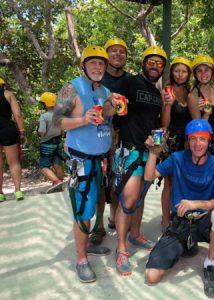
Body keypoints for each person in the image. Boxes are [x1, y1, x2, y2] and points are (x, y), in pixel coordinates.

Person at [53, 45, 121, 283]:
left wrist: (115, 106)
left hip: (99, 158)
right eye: (92, 63)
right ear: (83, 65)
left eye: (101, 63)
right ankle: (81, 259)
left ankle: (88, 246)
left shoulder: (105, 90)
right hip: (80, 159)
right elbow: (57, 121)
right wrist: (83, 119)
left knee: (95, 203)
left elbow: (108, 121)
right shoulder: (72, 88)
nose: (97, 66)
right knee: (83, 210)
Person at [144, 119, 214, 298]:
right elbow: (149, 176)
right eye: (193, 139)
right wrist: (153, 153)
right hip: (181, 221)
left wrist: (194, 203)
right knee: (151, 276)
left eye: (202, 139)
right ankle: (186, 245)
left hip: (204, 219)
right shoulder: (177, 159)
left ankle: (210, 263)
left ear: (209, 141)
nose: (197, 144)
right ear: (188, 140)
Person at [111, 45, 167, 276]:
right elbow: (114, 105)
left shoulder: (156, 93)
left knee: (141, 196)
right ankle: (121, 248)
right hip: (130, 149)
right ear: (143, 63)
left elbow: (156, 121)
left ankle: (135, 234)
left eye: (160, 63)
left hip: (147, 151)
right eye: (151, 62)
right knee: (129, 199)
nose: (155, 66)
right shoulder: (129, 82)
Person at [88, 37, 133, 246]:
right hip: (98, 137)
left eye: (121, 51)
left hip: (122, 138)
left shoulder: (131, 80)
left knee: (117, 181)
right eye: (113, 51)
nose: (118, 54)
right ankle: (98, 225)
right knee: (99, 182)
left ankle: (114, 218)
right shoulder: (97, 79)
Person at [160, 56, 192, 232]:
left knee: (185, 181)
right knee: (170, 183)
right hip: (173, 141)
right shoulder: (168, 90)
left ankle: (180, 215)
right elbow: (164, 123)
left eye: (184, 71)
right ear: (172, 72)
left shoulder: (191, 91)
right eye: (177, 70)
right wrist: (167, 105)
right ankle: (166, 220)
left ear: (189, 73)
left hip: (189, 142)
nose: (180, 74)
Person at [188, 54, 214, 153]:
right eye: (199, 71)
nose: (203, 74)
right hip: (204, 143)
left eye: (207, 70)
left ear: (212, 71)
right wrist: (206, 114)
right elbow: (198, 128)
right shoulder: (193, 96)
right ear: (195, 74)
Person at [0, 77, 26, 202]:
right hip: (7, 130)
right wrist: (21, 132)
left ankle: (0, 194)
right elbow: (17, 115)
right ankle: (17, 191)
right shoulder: (8, 94)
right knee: (14, 162)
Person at [38, 92, 64, 193]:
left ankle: (56, 182)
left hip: (47, 144)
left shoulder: (44, 116)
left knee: (43, 166)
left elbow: (42, 132)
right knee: (57, 163)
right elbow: (62, 130)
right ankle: (60, 185)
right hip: (58, 142)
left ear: (45, 104)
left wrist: (38, 132)